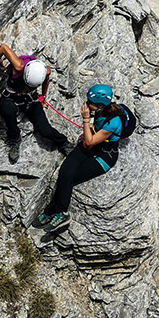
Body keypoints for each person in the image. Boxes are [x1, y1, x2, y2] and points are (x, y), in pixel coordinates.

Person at [32, 84, 127, 231]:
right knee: (64, 173)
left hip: (104, 156)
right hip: (92, 146)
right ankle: (52, 211)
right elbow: (91, 139)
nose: (87, 104)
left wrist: (86, 119)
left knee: (70, 178)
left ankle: (58, 212)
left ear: (100, 105)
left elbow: (90, 141)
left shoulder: (113, 122)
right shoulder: (102, 110)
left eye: (90, 102)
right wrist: (88, 131)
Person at [0, 43, 70, 162]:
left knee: (45, 130)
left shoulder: (44, 71)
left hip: (30, 99)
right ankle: (15, 138)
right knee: (7, 111)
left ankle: (64, 143)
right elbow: (3, 48)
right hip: (11, 98)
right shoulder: (18, 66)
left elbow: (46, 80)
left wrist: (43, 97)